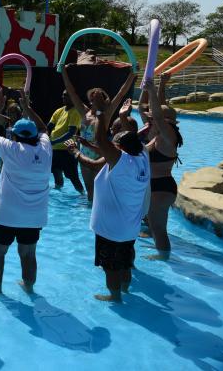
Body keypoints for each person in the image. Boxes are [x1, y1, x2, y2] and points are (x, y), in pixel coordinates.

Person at [71, 108, 149, 302]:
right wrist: (90, 144)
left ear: (120, 150)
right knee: (125, 263)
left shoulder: (122, 162)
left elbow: (105, 144)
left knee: (111, 267)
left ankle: (115, 297)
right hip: (130, 228)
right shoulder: (142, 156)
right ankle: (125, 290)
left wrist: (100, 116)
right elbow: (114, 147)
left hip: (111, 230)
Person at [0, 89, 51, 294]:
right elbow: (44, 128)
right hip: (34, 216)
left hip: (7, 215)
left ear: (15, 135)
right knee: (28, 254)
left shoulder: (10, 149)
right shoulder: (45, 150)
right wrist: (28, 108)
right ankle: (29, 288)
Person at [61, 66, 136, 202]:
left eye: (100, 95)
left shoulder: (106, 114)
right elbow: (72, 92)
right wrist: (63, 71)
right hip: (84, 154)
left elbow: (121, 93)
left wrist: (132, 74)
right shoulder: (85, 113)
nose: (97, 96)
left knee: (99, 188)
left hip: (100, 154)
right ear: (90, 100)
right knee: (90, 189)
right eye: (95, 95)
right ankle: (90, 216)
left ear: (104, 99)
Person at [143, 78, 183, 260]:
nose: (151, 120)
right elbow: (160, 111)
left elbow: (159, 115)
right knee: (155, 227)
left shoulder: (169, 136)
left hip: (161, 187)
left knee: (159, 229)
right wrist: (159, 87)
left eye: (154, 119)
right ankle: (162, 251)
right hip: (157, 186)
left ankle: (164, 257)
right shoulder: (160, 136)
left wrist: (151, 90)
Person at [48, 90, 84, 192]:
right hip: (55, 150)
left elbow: (71, 133)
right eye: (63, 95)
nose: (64, 97)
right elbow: (49, 127)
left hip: (68, 150)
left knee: (73, 177)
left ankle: (83, 196)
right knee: (56, 175)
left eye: (67, 95)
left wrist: (54, 141)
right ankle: (59, 197)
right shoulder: (59, 111)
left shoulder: (76, 111)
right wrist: (45, 138)